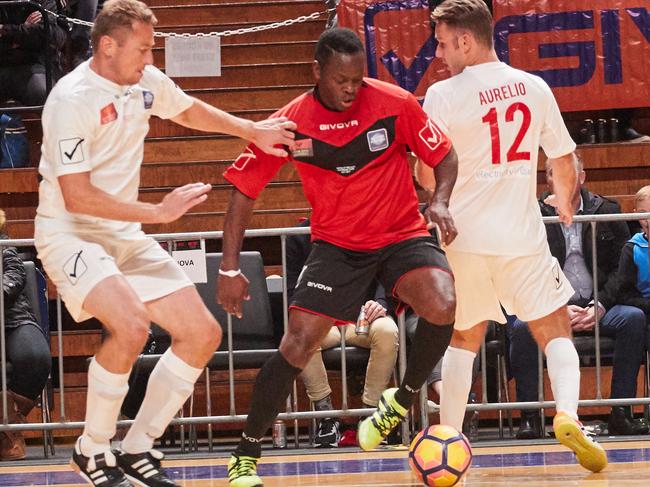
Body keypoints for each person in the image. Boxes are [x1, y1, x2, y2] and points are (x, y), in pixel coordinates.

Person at [34, 0, 296, 485]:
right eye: (143, 49)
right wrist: (156, 213)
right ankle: (92, 449)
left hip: (123, 234)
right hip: (69, 232)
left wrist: (252, 131)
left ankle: (137, 448)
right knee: (132, 326)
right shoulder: (72, 99)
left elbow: (189, 109)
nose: (150, 60)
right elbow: (77, 195)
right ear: (107, 46)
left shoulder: (144, 82)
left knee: (202, 333)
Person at [218, 27, 458, 487]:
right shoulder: (289, 123)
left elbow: (445, 156)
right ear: (317, 72)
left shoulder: (395, 103)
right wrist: (229, 267)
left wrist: (441, 200)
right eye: (341, 80)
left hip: (401, 234)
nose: (351, 89)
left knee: (443, 302)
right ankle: (246, 452)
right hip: (337, 247)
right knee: (297, 344)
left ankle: (400, 401)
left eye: (357, 79)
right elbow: (243, 193)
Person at [416, 0, 607, 472]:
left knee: (463, 337)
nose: (439, 54)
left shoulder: (441, 95)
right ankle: (567, 415)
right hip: (519, 236)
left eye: (442, 43)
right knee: (553, 328)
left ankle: (452, 438)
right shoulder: (534, 87)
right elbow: (562, 159)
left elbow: (425, 172)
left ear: (465, 40)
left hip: (461, 237)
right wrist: (564, 201)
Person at [508, 156, 647, 439]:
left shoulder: (607, 209)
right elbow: (528, 269)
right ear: (546, 180)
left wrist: (600, 305)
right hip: (551, 306)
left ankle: (622, 411)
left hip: (600, 305)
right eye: (552, 173)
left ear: (582, 177)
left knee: (633, 318)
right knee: (523, 328)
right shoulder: (531, 215)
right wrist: (558, 307)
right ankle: (530, 417)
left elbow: (618, 273)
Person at [285, 218, 399, 448]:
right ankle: (325, 417)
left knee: (387, 330)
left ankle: (371, 416)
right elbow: (291, 287)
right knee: (300, 336)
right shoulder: (298, 235)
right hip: (321, 318)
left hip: (362, 317)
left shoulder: (369, 225)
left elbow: (384, 273)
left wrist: (379, 303)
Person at [0, 209, 52, 461]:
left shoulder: (2, 243)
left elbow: (15, 273)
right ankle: (8, 434)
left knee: (36, 357)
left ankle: (6, 425)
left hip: (12, 316)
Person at [0, 0, 66, 106]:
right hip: (3, 63)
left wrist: (5, 29)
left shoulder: (44, 2)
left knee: (43, 92)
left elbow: (45, 36)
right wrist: (24, 30)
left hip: (35, 63)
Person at [617, 186, 650, 353]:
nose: (648, 220)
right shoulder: (632, 248)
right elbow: (624, 294)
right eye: (644, 214)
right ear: (636, 214)